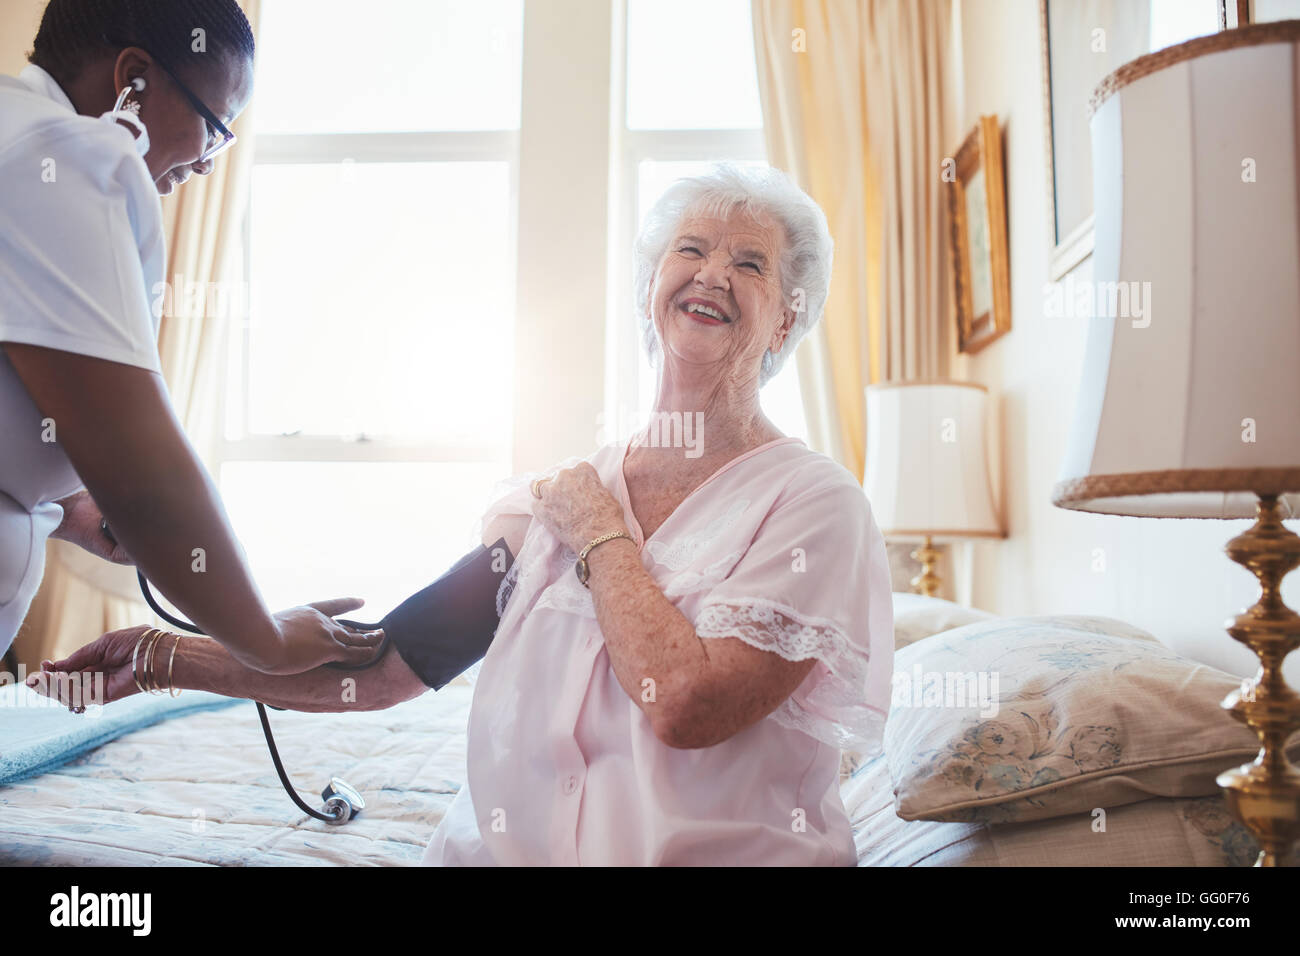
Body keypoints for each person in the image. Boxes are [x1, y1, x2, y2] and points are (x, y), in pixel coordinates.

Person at [35, 165, 894, 866]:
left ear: (787, 317)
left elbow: (687, 705)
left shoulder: (814, 506)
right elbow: (384, 667)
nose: (712, 273)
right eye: (691, 249)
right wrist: (161, 657)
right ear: (649, 289)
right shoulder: (545, 504)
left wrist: (598, 532)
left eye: (750, 263)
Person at [0, 0, 382, 673]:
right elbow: (141, 469)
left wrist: (67, 508)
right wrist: (266, 640)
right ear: (134, 81)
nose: (207, 163)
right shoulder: (56, 159)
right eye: (214, 126)